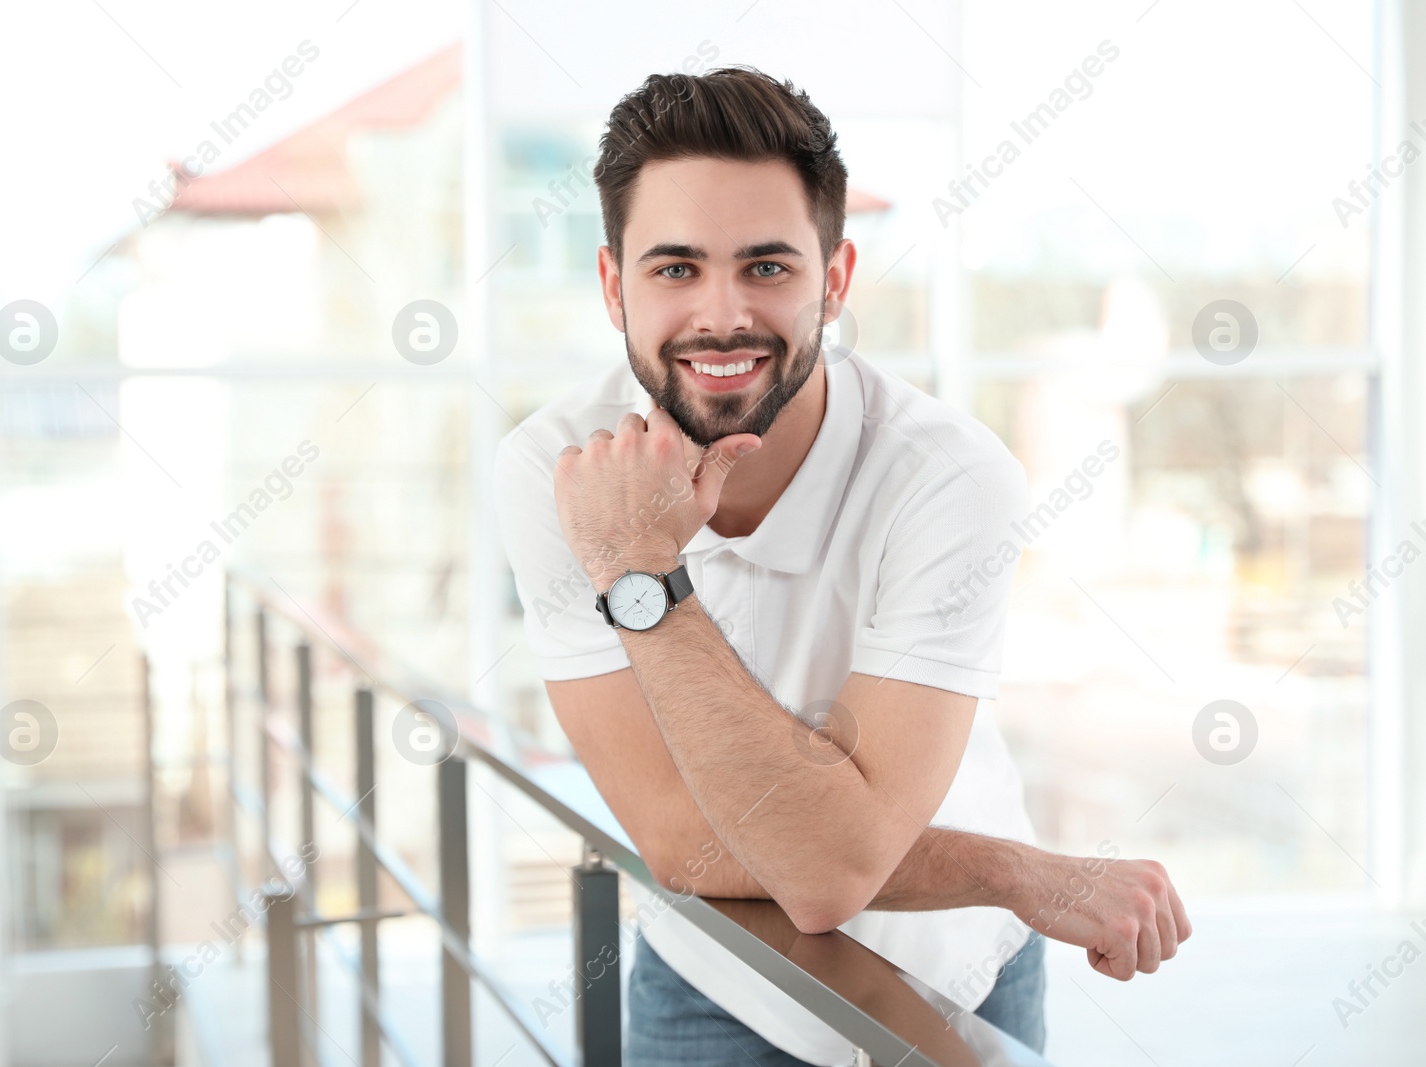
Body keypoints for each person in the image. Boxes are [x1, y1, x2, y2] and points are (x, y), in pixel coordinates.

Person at [492, 65, 1190, 1066]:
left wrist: (640, 577)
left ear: (836, 277)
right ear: (614, 285)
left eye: (767, 267)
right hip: (714, 964)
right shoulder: (553, 469)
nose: (721, 315)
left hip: (952, 966)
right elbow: (684, 842)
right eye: (675, 268)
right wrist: (1013, 868)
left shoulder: (946, 476)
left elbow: (835, 872)